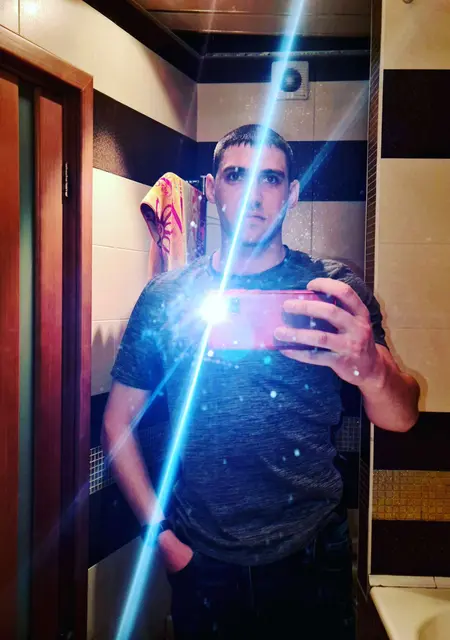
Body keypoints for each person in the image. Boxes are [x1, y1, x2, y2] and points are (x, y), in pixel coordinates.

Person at [103, 125, 420, 639]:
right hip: (202, 561)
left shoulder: (333, 291)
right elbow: (117, 423)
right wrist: (161, 538)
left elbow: (402, 417)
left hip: (312, 558)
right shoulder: (166, 296)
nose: (253, 194)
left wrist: (371, 367)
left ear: (291, 194)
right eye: (236, 176)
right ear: (211, 188)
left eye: (270, 179)